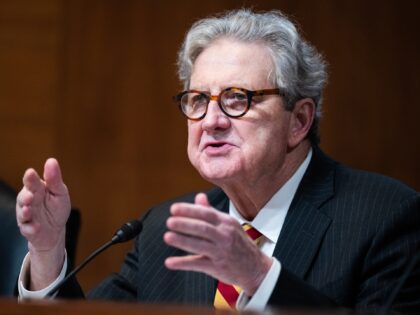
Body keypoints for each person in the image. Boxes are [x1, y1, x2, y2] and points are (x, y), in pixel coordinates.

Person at [16, 9, 420, 312]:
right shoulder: (164, 230)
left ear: (298, 121)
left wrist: (259, 277)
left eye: (237, 99)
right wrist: (48, 251)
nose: (210, 121)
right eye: (197, 100)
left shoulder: (386, 218)